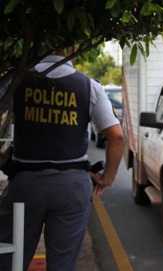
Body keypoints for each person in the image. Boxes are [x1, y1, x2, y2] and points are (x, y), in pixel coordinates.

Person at [0, 49, 124, 271]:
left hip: (25, 184)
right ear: (74, 48)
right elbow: (116, 136)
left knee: (10, 259)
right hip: (72, 186)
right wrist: (107, 177)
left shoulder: (17, 80)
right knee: (63, 266)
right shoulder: (89, 86)